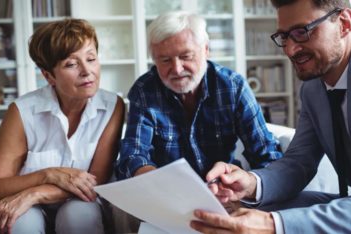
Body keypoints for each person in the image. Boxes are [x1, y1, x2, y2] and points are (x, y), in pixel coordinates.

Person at [190, 0, 351, 233]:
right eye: (284, 36)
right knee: (241, 211)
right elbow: (298, 164)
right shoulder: (313, 89)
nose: (290, 49)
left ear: (344, 23)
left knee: (274, 223)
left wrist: (273, 225)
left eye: (302, 32)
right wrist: (251, 184)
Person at [0, 19, 125, 234]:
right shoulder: (22, 111)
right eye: (72, 64)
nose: (87, 71)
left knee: (79, 214)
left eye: (91, 59)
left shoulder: (113, 107)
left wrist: (34, 193)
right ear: (48, 76)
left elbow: (96, 181)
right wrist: (48, 174)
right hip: (26, 210)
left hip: (80, 202)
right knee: (20, 223)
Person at [116, 11, 282, 180]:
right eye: (165, 60)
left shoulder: (233, 87)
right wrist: (155, 180)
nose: (177, 69)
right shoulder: (144, 90)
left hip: (223, 188)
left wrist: (247, 185)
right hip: (167, 191)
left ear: (206, 50)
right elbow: (133, 154)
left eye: (186, 56)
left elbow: (266, 154)